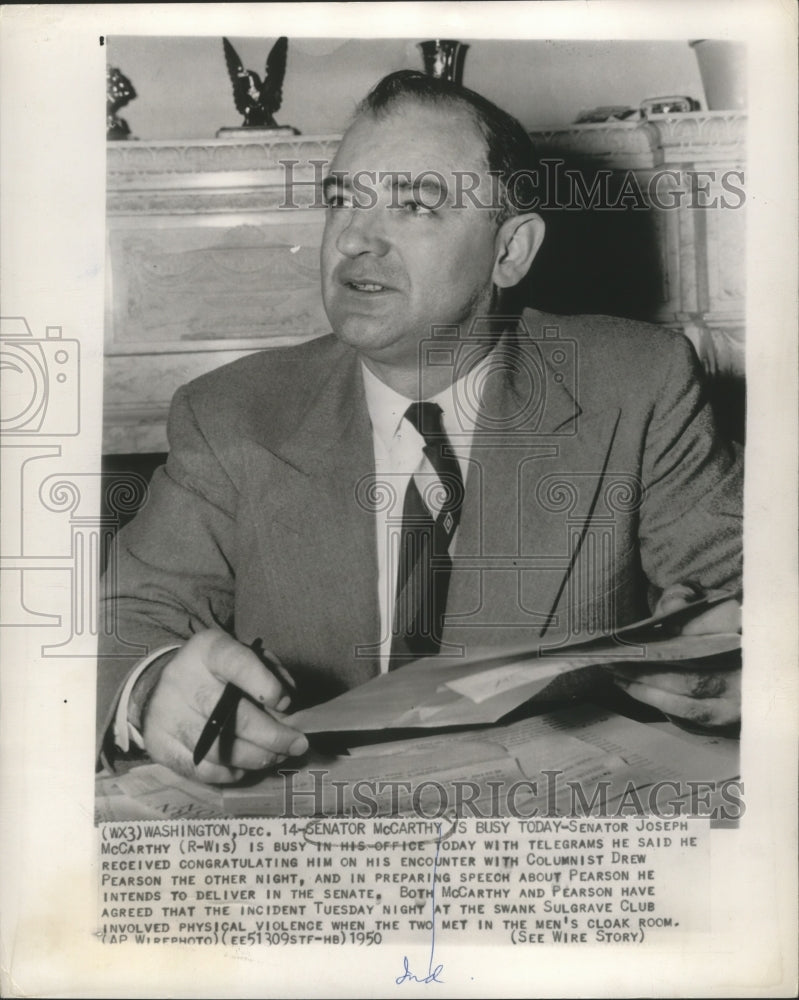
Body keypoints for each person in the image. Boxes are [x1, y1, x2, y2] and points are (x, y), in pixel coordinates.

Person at [97, 71, 742, 785]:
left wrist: (753, 673)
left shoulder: (635, 383)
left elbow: (748, 596)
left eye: (413, 204)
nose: (355, 241)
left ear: (510, 252)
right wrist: (154, 685)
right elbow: (125, 619)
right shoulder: (230, 412)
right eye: (343, 199)